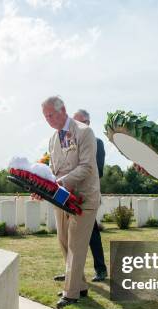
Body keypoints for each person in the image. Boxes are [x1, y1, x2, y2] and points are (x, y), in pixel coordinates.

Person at [41, 96, 101, 309]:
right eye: (45, 116)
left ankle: (71, 293)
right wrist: (42, 186)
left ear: (63, 110)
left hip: (84, 198)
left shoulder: (84, 132)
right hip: (61, 198)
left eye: (51, 115)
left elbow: (87, 167)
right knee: (64, 241)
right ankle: (80, 285)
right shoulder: (52, 139)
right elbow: (54, 169)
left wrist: (60, 182)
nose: (48, 119)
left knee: (76, 244)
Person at [53, 109, 108, 283]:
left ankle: (101, 270)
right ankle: (73, 273)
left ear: (88, 123)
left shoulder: (96, 142)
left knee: (92, 235)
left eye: (80, 122)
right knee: (68, 237)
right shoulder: (65, 141)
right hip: (68, 195)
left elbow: (95, 169)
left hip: (85, 195)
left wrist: (72, 179)